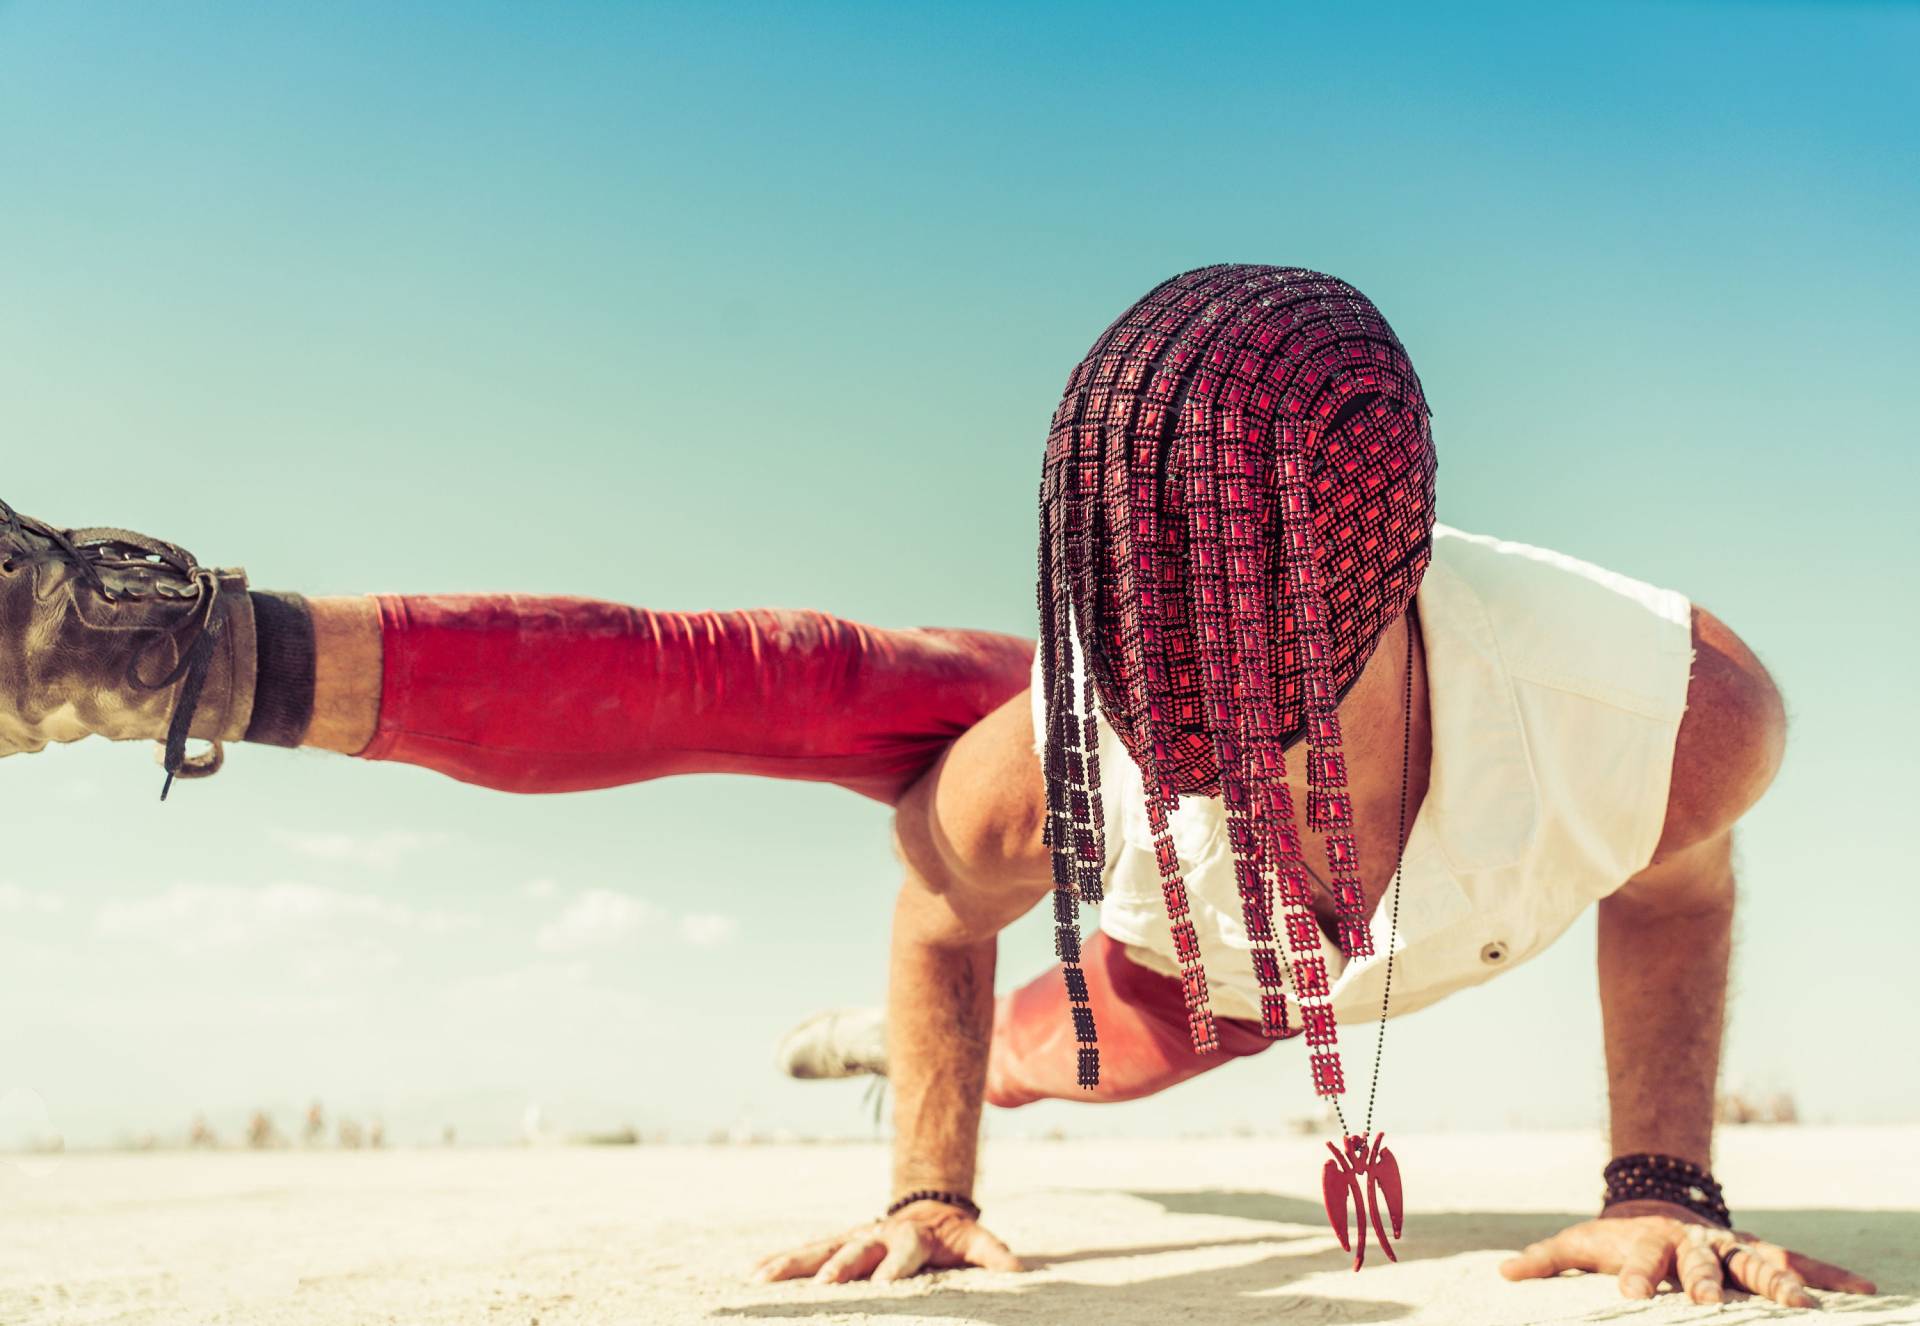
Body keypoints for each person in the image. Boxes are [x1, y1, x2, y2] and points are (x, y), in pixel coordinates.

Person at [0, 266, 1875, 1308]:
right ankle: (165, 644)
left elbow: (1679, 875)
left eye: (1229, 666)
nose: (1175, 703)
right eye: (1138, 644)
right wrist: (932, 1182)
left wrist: (1658, 1182)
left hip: (1179, 983)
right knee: (814, 687)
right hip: (1075, 842)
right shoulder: (1064, 755)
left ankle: (883, 1039)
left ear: (1376, 588)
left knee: (1056, 1036)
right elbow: (935, 896)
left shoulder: (1664, 703)